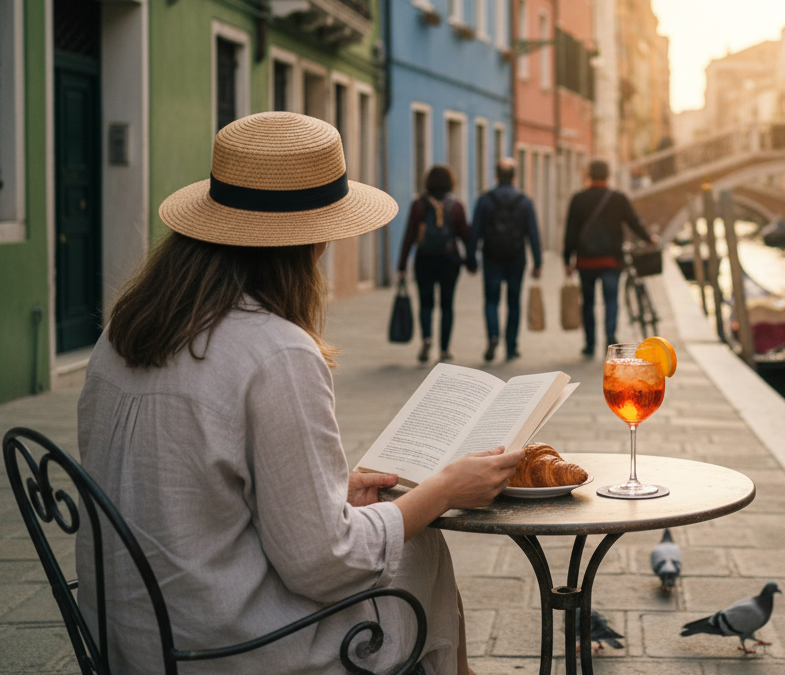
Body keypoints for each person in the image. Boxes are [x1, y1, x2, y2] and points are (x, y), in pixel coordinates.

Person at [79, 112, 525, 674]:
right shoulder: (277, 351)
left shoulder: (123, 329)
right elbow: (322, 565)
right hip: (226, 649)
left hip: (129, 636)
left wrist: (333, 491)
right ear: (310, 242)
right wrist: (441, 489)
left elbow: (190, 489)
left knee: (403, 538)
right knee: (421, 547)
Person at [562, 160, 656, 358]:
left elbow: (570, 231)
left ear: (589, 175)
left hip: (585, 261)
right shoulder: (618, 198)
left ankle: (589, 344)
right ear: (608, 175)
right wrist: (649, 238)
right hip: (611, 260)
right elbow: (633, 222)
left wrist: (567, 259)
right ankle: (610, 338)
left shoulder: (578, 199)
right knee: (611, 300)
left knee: (588, 302)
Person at [397, 165, 476, 364]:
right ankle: (444, 349)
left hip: (424, 259)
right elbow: (465, 235)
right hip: (449, 261)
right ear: (451, 183)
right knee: (447, 305)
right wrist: (471, 260)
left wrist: (402, 265)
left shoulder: (419, 205)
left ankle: (426, 339)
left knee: (426, 303)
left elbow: (409, 236)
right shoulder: (456, 206)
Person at [469, 159, 542, 362]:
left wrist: (471, 258)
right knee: (513, 302)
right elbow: (533, 234)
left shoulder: (484, 200)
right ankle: (511, 346)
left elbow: (475, 231)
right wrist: (537, 262)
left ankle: (493, 336)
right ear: (514, 177)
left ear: (496, 176)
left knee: (491, 301)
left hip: (491, 257)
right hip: (516, 258)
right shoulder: (524, 201)